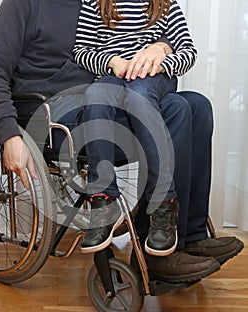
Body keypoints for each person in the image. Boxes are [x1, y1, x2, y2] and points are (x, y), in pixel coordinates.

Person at [0, 0, 243, 285]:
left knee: (197, 107)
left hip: (111, 97)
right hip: (56, 115)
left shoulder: (98, 1)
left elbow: (138, 30)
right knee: (174, 115)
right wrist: (9, 135)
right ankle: (154, 255)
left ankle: (188, 235)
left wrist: (163, 45)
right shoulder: (25, 4)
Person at [72, 0, 197, 256]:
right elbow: (81, 50)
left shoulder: (165, 4)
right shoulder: (94, 3)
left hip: (153, 76)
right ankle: (103, 201)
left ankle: (164, 202)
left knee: (139, 94)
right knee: (95, 95)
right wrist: (112, 61)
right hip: (113, 73)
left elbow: (188, 51)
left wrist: (162, 63)